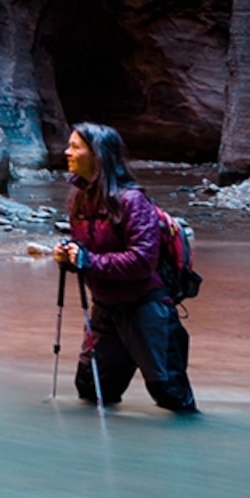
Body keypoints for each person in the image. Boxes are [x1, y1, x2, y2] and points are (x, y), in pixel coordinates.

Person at [54, 122, 199, 414]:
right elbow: (88, 248)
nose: (66, 151)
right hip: (105, 311)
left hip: (146, 310)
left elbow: (142, 262)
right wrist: (71, 255)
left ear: (97, 154)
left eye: (75, 146)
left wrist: (88, 261)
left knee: (170, 394)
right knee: (92, 389)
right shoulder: (79, 199)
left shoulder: (133, 202)